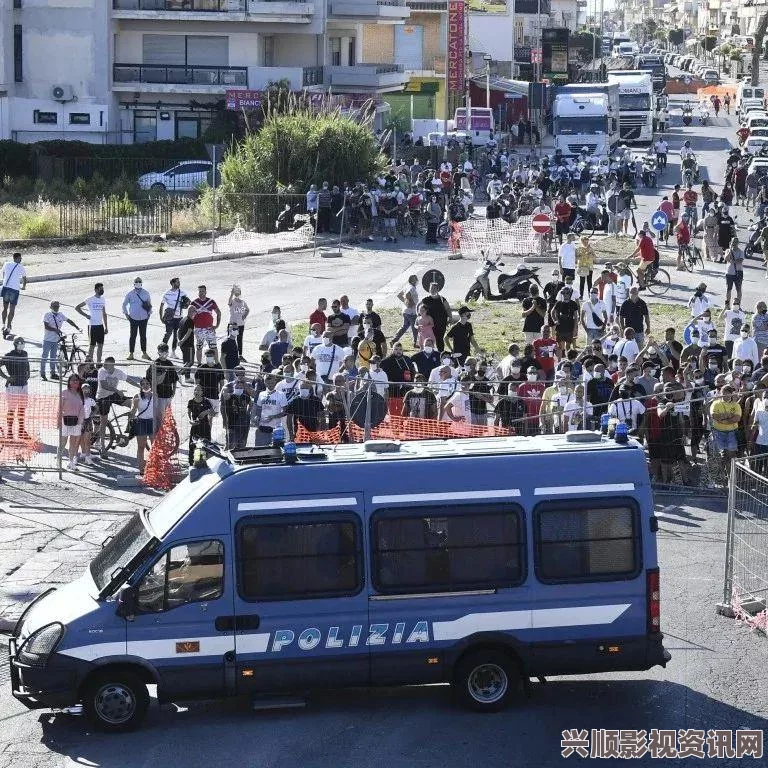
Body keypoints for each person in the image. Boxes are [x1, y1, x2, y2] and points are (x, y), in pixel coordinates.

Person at [94, 357, 131, 455]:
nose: (104, 366)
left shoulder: (118, 372)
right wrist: (117, 391)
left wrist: (142, 387)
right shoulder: (101, 371)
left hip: (112, 395)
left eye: (107, 364)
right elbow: (104, 385)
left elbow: (128, 379)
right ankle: (102, 447)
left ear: (112, 365)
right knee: (103, 421)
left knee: (132, 403)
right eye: (104, 364)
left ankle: (130, 425)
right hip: (102, 398)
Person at [41, 300, 79, 381]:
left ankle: (53, 373)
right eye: (54, 306)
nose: (56, 308)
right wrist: (56, 330)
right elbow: (46, 326)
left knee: (53, 358)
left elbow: (69, 321)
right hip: (47, 340)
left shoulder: (60, 315)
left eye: (57, 306)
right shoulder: (47, 315)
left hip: (55, 340)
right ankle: (42, 373)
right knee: (44, 357)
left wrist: (76, 327)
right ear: (51, 307)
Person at [0, 336, 30, 440]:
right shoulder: (9, 355)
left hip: (23, 385)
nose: (22, 344)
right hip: (13, 387)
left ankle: (21, 430)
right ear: (15, 344)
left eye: (23, 342)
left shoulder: (25, 353)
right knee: (11, 409)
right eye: (19, 342)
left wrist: (28, 373)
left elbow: (27, 363)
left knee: (22, 409)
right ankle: (9, 431)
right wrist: (7, 377)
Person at [220, 366, 254, 450]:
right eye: (237, 373)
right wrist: (224, 420)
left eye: (242, 373)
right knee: (230, 443)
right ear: (234, 374)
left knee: (242, 442)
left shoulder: (248, 385)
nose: (240, 375)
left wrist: (249, 413)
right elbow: (222, 404)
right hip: (231, 418)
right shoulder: (228, 386)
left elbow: (254, 398)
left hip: (243, 419)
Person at [710, 385, 742, 474]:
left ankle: (730, 477)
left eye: (729, 393)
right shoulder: (715, 403)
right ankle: (720, 476)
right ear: (721, 393)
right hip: (718, 433)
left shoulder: (736, 405)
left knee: (730, 456)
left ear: (732, 394)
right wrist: (728, 416)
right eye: (724, 392)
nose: (726, 395)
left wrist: (722, 419)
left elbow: (737, 418)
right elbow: (714, 415)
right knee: (719, 456)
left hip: (732, 433)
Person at [147, 343, 178, 430]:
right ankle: (158, 430)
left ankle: (165, 429)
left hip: (168, 393)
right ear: (158, 352)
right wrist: (153, 391)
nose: (164, 353)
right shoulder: (155, 364)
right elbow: (149, 379)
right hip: (158, 394)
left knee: (167, 412)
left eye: (166, 351)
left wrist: (174, 391)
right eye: (162, 351)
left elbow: (175, 379)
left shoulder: (169, 363)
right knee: (158, 413)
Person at [75, 283, 107, 364]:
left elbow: (104, 313)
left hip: (100, 326)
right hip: (92, 326)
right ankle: (90, 364)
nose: (102, 290)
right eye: (100, 289)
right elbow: (77, 307)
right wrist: (86, 315)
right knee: (92, 345)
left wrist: (106, 326)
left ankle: (99, 363)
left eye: (102, 289)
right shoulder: (90, 299)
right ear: (96, 290)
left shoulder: (102, 299)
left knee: (100, 345)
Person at [128, 378, 155, 476]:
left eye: (147, 383)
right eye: (143, 384)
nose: (146, 385)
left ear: (150, 385)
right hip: (141, 422)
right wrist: (134, 406)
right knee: (141, 447)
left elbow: (158, 411)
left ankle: (155, 467)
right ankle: (141, 470)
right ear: (140, 386)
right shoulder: (137, 396)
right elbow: (132, 414)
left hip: (152, 422)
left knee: (154, 446)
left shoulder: (154, 396)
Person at [122, 276, 152, 361]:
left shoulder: (146, 293)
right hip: (133, 318)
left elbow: (149, 304)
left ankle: (144, 353)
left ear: (141, 283)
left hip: (144, 318)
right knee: (133, 336)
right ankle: (131, 353)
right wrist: (126, 314)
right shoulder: (130, 294)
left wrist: (149, 314)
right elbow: (124, 304)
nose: (138, 282)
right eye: (137, 281)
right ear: (134, 283)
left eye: (139, 281)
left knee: (143, 336)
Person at [190, 285, 221, 365]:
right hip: (198, 329)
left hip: (209, 329)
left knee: (213, 347)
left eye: (202, 291)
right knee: (199, 347)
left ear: (205, 292)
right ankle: (199, 364)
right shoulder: (193, 303)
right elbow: (190, 316)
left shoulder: (211, 301)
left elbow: (218, 312)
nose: (201, 293)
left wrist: (217, 325)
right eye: (199, 291)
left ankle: (217, 364)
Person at [255, 373, 289, 446]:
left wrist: (273, 417)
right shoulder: (261, 394)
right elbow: (258, 407)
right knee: (260, 449)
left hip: (275, 428)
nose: (270, 384)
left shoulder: (281, 394)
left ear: (275, 382)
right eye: (268, 383)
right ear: (264, 383)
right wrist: (257, 416)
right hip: (262, 426)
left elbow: (285, 412)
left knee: (275, 451)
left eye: (272, 383)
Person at [60, 374, 85, 471]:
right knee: (63, 441)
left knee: (74, 442)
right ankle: (59, 459)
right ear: (69, 382)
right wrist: (58, 420)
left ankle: (71, 462)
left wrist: (81, 422)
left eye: (77, 380)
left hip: (77, 421)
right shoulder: (64, 393)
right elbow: (60, 407)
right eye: (73, 380)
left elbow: (82, 409)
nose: (75, 382)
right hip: (65, 420)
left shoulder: (80, 394)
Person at [160, 277, 188, 357]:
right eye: (177, 282)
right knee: (168, 334)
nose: (179, 283)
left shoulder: (182, 293)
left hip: (179, 317)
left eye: (179, 282)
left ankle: (173, 352)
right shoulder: (167, 293)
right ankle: (162, 351)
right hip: (170, 318)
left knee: (176, 335)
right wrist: (161, 317)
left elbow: (187, 303)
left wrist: (186, 304)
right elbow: (161, 305)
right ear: (172, 283)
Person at [1, 252, 27, 340]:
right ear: (17, 258)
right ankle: (8, 326)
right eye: (20, 258)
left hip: (5, 288)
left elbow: (4, 274)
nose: (21, 259)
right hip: (14, 290)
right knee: (12, 309)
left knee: (5, 308)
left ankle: (3, 325)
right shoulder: (21, 267)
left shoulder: (6, 264)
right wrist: (23, 287)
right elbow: (24, 278)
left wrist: (6, 282)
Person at [194, 349, 225, 418]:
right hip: (203, 395)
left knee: (211, 416)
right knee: (203, 416)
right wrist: (198, 394)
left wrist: (220, 392)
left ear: (214, 356)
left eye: (211, 356)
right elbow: (197, 382)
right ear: (205, 357)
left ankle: (209, 429)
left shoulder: (218, 368)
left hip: (214, 395)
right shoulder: (201, 368)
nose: (209, 357)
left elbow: (222, 381)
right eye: (207, 356)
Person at [187, 384, 213, 464]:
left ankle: (203, 464)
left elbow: (213, 412)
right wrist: (191, 421)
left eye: (198, 390)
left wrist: (206, 412)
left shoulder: (206, 401)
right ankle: (192, 464)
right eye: (195, 390)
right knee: (193, 446)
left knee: (204, 447)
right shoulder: (191, 402)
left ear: (202, 392)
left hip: (205, 427)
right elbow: (189, 414)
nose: (196, 391)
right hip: (195, 427)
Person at [421, 282, 451, 353]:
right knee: (429, 339)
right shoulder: (426, 299)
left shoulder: (442, 299)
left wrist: (450, 318)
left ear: (438, 289)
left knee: (440, 339)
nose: (432, 290)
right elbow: (419, 307)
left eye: (434, 288)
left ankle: (440, 354)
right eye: (431, 288)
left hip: (441, 323)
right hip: (430, 324)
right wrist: (420, 317)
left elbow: (448, 308)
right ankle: (429, 353)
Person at [391, 274, 419, 346]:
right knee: (414, 328)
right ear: (413, 280)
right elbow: (407, 294)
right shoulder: (411, 288)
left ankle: (394, 340)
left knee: (404, 327)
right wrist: (410, 303)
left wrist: (405, 301)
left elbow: (399, 295)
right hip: (411, 312)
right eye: (416, 279)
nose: (417, 281)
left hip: (406, 311)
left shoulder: (406, 286)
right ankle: (415, 343)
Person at [550, 286, 580, 351]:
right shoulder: (559, 303)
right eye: (563, 293)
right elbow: (552, 312)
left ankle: (567, 359)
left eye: (567, 293)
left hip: (569, 328)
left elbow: (576, 317)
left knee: (568, 347)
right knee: (560, 347)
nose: (565, 295)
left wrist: (575, 329)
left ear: (570, 294)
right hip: (560, 328)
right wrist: (555, 320)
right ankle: (561, 358)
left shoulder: (573, 303)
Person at [228, 285, 249, 361]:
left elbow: (247, 309)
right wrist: (231, 293)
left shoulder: (243, 302)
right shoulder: (232, 302)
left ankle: (240, 355)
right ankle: (230, 354)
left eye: (238, 292)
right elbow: (229, 302)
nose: (237, 294)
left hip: (241, 324)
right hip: (233, 324)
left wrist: (245, 315)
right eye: (235, 293)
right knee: (231, 340)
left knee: (239, 340)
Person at [724, 237, 745, 306]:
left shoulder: (741, 252)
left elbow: (740, 261)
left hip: (738, 273)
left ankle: (738, 305)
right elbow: (726, 259)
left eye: (736, 242)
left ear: (738, 243)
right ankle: (727, 305)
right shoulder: (728, 251)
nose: (734, 243)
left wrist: (733, 261)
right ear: (731, 242)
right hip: (729, 273)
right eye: (733, 242)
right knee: (728, 289)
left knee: (738, 290)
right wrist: (730, 251)